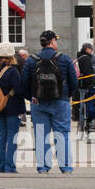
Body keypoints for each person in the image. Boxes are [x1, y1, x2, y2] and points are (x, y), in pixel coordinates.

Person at [23, 30, 79, 174]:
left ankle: (43, 167)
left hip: (38, 102)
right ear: (53, 42)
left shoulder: (31, 60)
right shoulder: (65, 59)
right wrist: (67, 96)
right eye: (56, 40)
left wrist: (32, 97)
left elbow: (24, 83)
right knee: (62, 134)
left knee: (41, 134)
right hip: (61, 101)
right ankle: (65, 167)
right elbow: (74, 81)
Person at [0, 44, 25, 173]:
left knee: (2, 136)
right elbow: (19, 90)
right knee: (12, 136)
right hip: (13, 107)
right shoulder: (12, 71)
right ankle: (9, 166)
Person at [75, 43, 95, 133]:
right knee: (85, 106)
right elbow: (88, 73)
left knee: (82, 107)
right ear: (87, 49)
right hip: (86, 86)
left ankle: (81, 126)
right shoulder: (86, 58)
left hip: (80, 84)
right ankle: (86, 125)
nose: (92, 51)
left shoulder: (80, 57)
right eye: (91, 49)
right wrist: (91, 83)